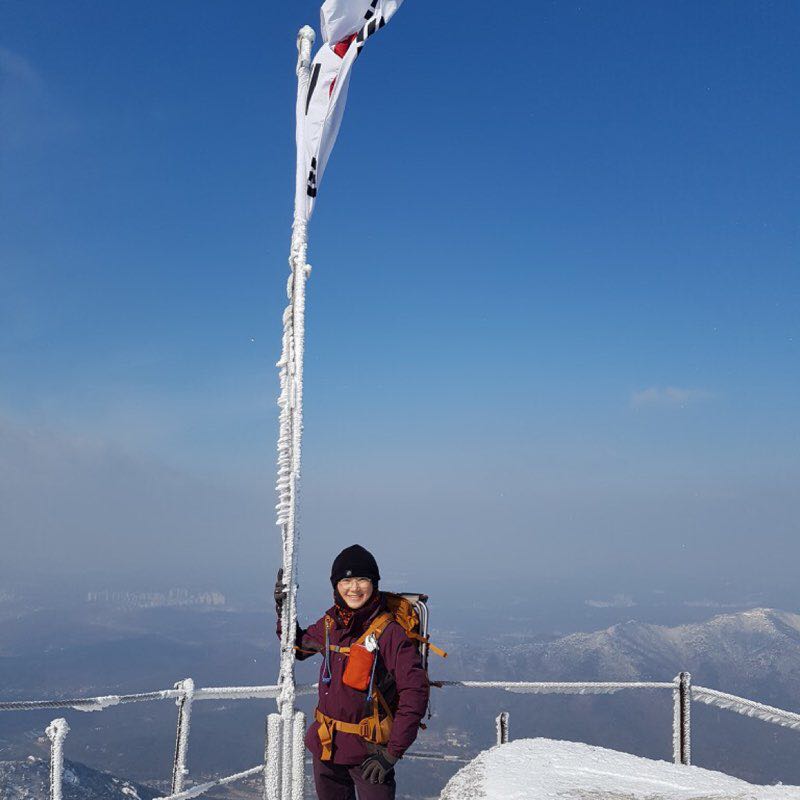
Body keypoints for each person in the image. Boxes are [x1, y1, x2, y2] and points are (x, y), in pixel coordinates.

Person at [275, 544, 429, 800]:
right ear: (336, 585)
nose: (354, 588)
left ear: (374, 583)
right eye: (346, 580)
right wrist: (284, 610)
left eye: (362, 579)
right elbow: (298, 647)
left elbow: (415, 691)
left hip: (370, 753)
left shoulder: (389, 633)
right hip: (327, 746)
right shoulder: (330, 624)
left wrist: (392, 753)